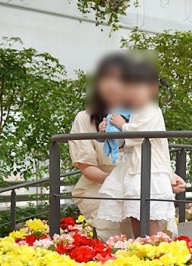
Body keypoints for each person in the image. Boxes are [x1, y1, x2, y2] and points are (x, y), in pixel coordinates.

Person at [97, 58, 178, 238]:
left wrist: (122, 125)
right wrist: (107, 130)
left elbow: (139, 134)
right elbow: (123, 142)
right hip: (132, 167)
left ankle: (156, 253)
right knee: (133, 213)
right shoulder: (131, 111)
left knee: (147, 215)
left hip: (147, 169)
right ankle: (141, 249)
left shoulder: (151, 109)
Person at [69, 53, 135, 240]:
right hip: (100, 183)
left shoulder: (138, 115)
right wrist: (116, 181)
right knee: (116, 232)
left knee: (156, 219)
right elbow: (87, 166)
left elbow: (153, 150)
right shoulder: (85, 118)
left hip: (136, 180)